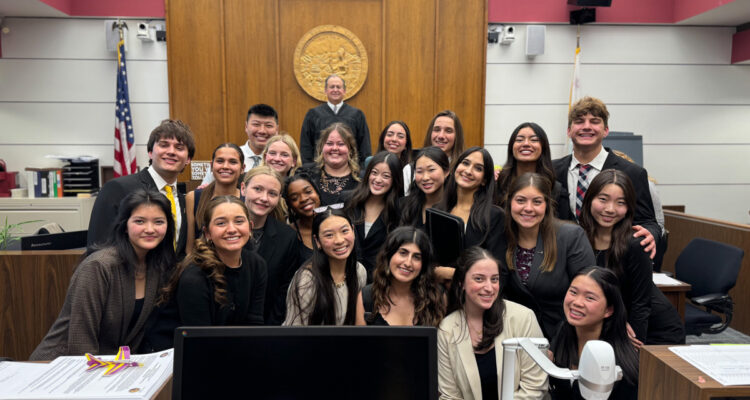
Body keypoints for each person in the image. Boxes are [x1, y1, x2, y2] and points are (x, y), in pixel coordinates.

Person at [31, 189, 176, 360]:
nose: (150, 229)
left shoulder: (157, 267)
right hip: (61, 366)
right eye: (140, 221)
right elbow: (81, 340)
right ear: (125, 226)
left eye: (159, 222)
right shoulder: (98, 266)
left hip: (113, 366)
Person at [579, 169, 685, 344]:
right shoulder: (579, 238)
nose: (610, 209)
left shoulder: (635, 243)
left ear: (629, 208)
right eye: (603, 199)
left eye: (620, 202)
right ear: (589, 199)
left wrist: (633, 344)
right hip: (615, 324)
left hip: (653, 330)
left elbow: (641, 304)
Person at [552, 96, 658, 256]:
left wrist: (651, 233)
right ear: (569, 131)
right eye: (579, 121)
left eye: (594, 121)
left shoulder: (633, 173)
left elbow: (649, 222)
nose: (586, 127)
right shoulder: (551, 170)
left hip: (614, 261)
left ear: (606, 130)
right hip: (563, 259)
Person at [438, 247, 548, 399]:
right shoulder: (447, 329)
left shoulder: (524, 318)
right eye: (479, 279)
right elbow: (449, 396)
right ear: (461, 283)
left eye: (494, 279)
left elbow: (535, 387)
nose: (489, 288)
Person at [499, 172, 595, 338]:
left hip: (564, 335)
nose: (528, 208)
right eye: (521, 200)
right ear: (509, 203)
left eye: (537, 202)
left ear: (547, 205)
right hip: (514, 335)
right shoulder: (501, 237)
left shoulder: (570, 236)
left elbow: (590, 292)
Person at [88, 119, 195, 258]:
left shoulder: (184, 200)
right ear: (150, 152)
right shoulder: (117, 188)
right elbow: (97, 248)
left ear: (188, 159)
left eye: (179, 148)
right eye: (164, 145)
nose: (171, 152)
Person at [162, 196, 267, 326]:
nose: (232, 229)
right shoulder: (194, 278)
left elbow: (255, 323)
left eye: (239, 221)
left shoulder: (257, 264)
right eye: (221, 223)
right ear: (207, 233)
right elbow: (200, 339)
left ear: (250, 227)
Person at [549, 267, 639, 399]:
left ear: (608, 310)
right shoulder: (563, 330)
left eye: (590, 298)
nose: (577, 302)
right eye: (573, 292)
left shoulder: (621, 365)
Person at [283, 209, 367, 326]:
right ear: (317, 241)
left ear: (353, 231)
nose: (339, 240)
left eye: (344, 231)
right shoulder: (306, 280)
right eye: (329, 235)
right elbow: (297, 332)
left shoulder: (359, 271)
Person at [242, 166, 300, 325]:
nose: (264, 198)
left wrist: (270, 329)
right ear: (243, 188)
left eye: (272, 193)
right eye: (257, 189)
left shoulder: (287, 237)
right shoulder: (224, 229)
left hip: (267, 324)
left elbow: (285, 290)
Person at [355, 226, 445, 326]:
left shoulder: (437, 297)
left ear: (424, 264)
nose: (408, 263)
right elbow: (360, 342)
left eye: (416, 257)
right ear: (388, 255)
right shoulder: (367, 297)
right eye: (403, 253)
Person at [345, 151, 404, 279]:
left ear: (395, 180)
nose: (378, 180)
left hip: (379, 280)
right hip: (346, 274)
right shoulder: (348, 200)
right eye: (374, 173)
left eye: (386, 176)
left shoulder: (399, 211)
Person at [495, 122, 571, 220]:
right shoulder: (498, 185)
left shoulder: (555, 189)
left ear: (543, 147)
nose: (526, 144)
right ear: (511, 147)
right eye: (519, 140)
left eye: (534, 140)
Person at [436, 147, 503, 250]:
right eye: (465, 163)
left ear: (484, 180)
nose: (468, 171)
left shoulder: (494, 216)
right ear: (455, 168)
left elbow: (497, 262)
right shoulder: (437, 210)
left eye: (478, 168)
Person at [200, 103, 280, 185]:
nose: (262, 131)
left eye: (268, 125)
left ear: (277, 129)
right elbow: (205, 191)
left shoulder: (280, 160)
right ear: (246, 126)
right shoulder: (229, 156)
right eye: (256, 124)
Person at [299, 74, 371, 164]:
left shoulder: (357, 115)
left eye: (338, 87)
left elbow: (364, 146)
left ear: (344, 91)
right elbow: (306, 146)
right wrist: (309, 169)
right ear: (326, 90)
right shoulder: (313, 114)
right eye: (332, 87)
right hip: (319, 169)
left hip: (350, 169)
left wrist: (361, 171)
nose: (335, 90)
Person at [186, 143, 244, 254]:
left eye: (233, 162)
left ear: (242, 168)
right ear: (211, 166)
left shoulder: (247, 199)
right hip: (202, 266)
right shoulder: (193, 198)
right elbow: (189, 248)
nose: (225, 166)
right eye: (220, 161)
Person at [306, 122, 361, 205]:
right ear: (322, 147)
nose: (334, 148)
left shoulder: (362, 180)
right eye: (329, 143)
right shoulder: (307, 174)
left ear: (350, 149)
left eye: (341, 144)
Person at [400, 146, 450, 230]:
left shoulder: (453, 208)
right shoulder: (403, 205)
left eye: (431, 170)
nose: (425, 177)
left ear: (446, 172)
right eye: (419, 171)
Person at [283, 172, 322, 264]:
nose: (303, 199)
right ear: (290, 205)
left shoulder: (337, 222)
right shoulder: (288, 234)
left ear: (317, 193)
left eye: (308, 192)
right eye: (294, 198)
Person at [375, 120, 413, 194]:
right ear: (383, 139)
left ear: (406, 145)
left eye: (400, 136)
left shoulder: (410, 170)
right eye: (389, 135)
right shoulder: (370, 163)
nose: (394, 139)